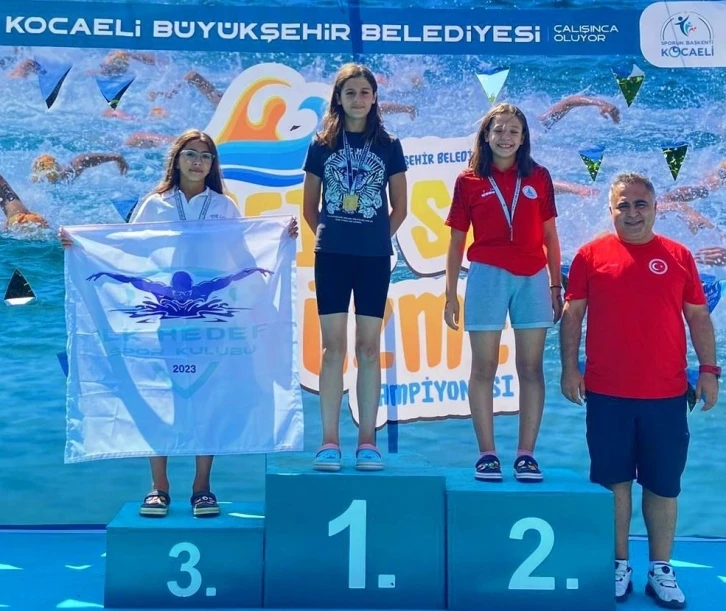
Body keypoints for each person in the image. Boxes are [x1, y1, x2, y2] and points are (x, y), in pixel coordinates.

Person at [61, 128, 299, 517]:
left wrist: (279, 241)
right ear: (176, 158)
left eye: (205, 156)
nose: (197, 162)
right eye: (190, 154)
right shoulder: (154, 205)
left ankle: (202, 487)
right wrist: (82, 246)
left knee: (209, 397)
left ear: (212, 164)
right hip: (163, 324)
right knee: (158, 396)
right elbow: (128, 252)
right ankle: (159, 487)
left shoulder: (223, 205)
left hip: (209, 324)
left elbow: (241, 255)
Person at [560, 172, 719, 608]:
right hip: (607, 393)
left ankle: (661, 569)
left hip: (666, 395)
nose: (632, 213)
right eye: (623, 206)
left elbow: (698, 317)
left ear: (655, 208)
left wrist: (709, 371)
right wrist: (569, 369)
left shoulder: (678, 255)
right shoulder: (590, 255)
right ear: (611, 210)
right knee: (614, 483)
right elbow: (572, 316)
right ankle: (618, 564)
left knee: (663, 485)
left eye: (640, 204)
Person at [444, 102, 562, 483]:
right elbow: (456, 242)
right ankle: (487, 455)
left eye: (513, 131)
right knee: (483, 367)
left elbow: (550, 236)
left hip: (532, 276)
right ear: (486, 135)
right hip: (487, 276)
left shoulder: (539, 177)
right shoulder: (468, 180)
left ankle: (526, 455)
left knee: (531, 368)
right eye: (498, 130)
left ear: (524, 137)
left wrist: (556, 284)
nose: (506, 137)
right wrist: (450, 294)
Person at [302, 63, 407, 472]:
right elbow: (309, 207)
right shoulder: (321, 144)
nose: (358, 99)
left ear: (375, 97)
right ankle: (329, 440)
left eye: (365, 92)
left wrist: (376, 237)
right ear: (339, 98)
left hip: (373, 259)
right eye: (350, 93)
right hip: (331, 256)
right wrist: (334, 234)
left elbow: (400, 207)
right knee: (333, 349)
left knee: (368, 348)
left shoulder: (389, 145)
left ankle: (367, 441)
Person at [30, 152, 129, 184]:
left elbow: (82, 159)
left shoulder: (69, 172)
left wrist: (116, 157)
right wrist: (116, 157)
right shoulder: (37, 182)